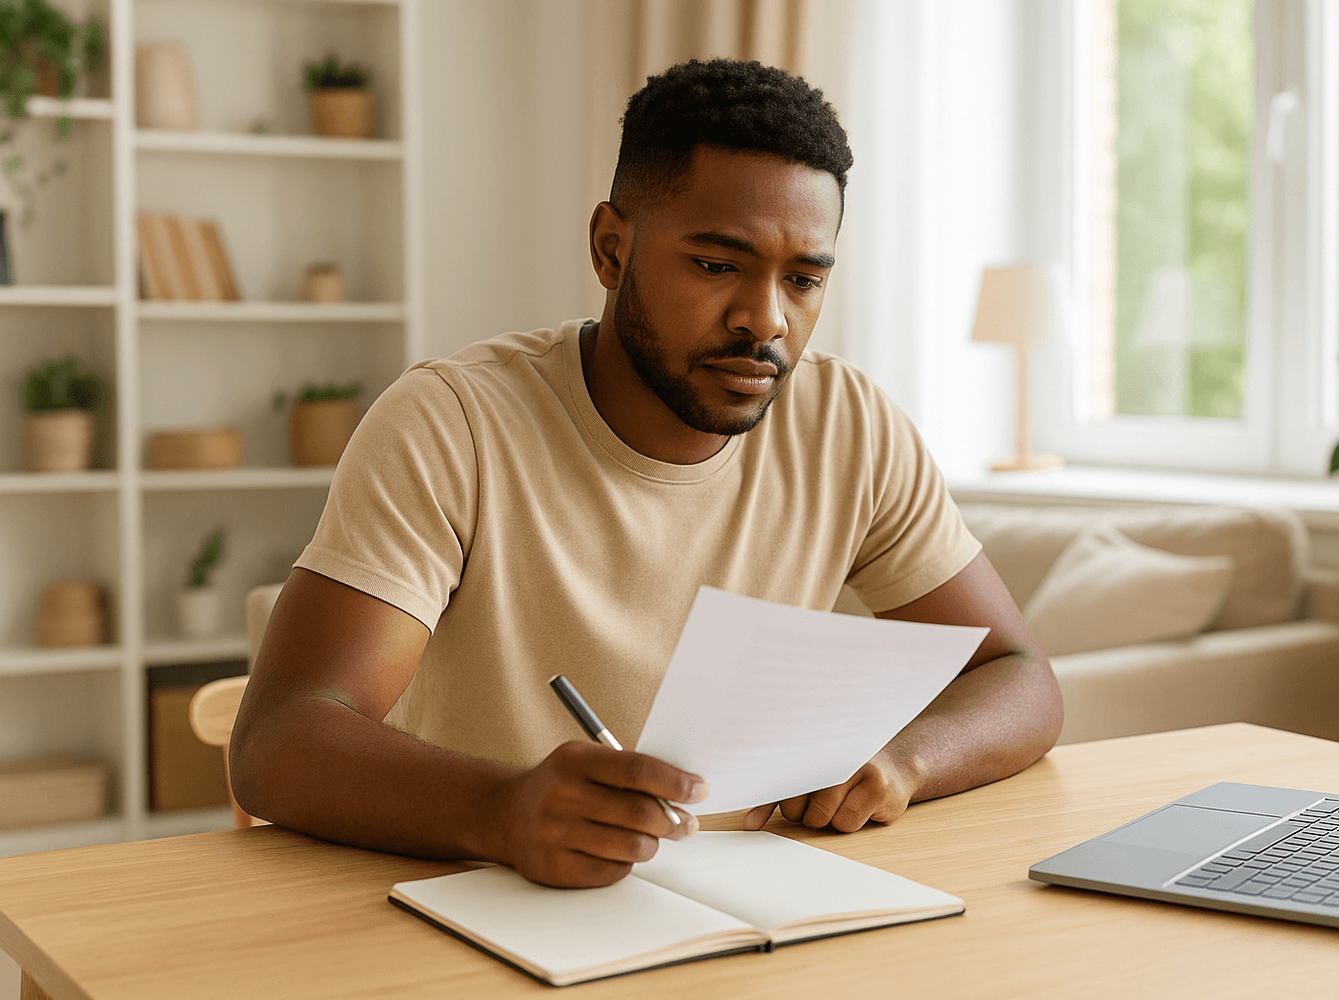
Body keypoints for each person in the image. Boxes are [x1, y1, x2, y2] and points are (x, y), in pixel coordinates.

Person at [232, 58, 1062, 889]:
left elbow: (1018, 676)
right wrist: (505, 810)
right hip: (490, 903)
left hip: (749, 907)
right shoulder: (452, 422)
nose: (765, 319)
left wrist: (904, 760)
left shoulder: (850, 425)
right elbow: (280, 737)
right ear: (611, 248)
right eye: (716, 265)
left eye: (803, 279)